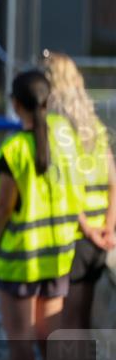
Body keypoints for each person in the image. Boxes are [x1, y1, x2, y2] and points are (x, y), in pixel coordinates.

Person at [0, 70, 84, 360]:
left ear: (14, 104)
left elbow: (2, 210)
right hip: (57, 258)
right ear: (49, 101)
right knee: (49, 338)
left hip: (19, 260)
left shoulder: (14, 152)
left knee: (20, 341)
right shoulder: (65, 137)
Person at [43, 50, 116, 329]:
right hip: (100, 238)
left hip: (76, 234)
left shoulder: (56, 127)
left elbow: (65, 187)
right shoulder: (94, 127)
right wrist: (108, 227)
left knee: (67, 322)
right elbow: (113, 180)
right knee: (82, 322)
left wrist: (87, 229)